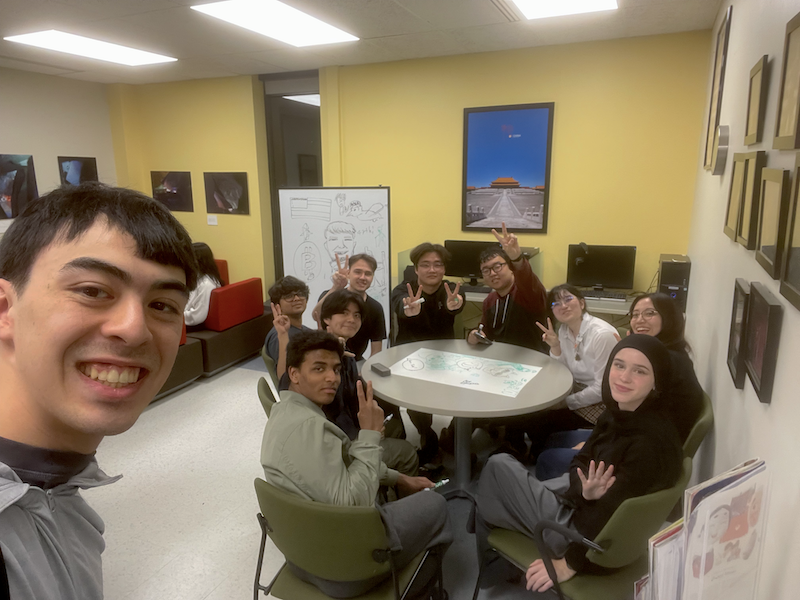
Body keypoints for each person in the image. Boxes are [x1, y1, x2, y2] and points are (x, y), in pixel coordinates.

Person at [0, 182, 198, 600]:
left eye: (163, 305)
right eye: (92, 291)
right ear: (4, 309)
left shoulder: (66, 501)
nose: (134, 329)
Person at [475, 335, 683, 593]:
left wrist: (569, 564)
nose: (624, 377)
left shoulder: (647, 445)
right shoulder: (621, 412)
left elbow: (612, 515)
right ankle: (494, 554)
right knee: (497, 489)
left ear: (656, 382)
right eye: (619, 365)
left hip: (585, 539)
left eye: (639, 371)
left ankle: (490, 567)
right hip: (585, 507)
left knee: (497, 467)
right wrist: (584, 491)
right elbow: (581, 460)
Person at [260, 330, 452, 598]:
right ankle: (411, 590)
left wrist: (401, 479)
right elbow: (353, 505)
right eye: (318, 369)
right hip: (346, 570)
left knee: (409, 492)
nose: (332, 378)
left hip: (302, 555)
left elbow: (347, 457)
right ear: (293, 374)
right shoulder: (310, 428)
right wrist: (371, 434)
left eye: (336, 369)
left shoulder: (287, 412)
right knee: (438, 505)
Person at [278, 290, 416, 476]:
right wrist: (368, 434)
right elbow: (286, 383)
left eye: (356, 315)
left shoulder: (348, 356)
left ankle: (381, 486)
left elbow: (353, 395)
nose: (351, 319)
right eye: (343, 313)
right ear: (326, 319)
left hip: (351, 428)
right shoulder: (315, 355)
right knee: (408, 452)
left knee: (396, 425)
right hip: (338, 446)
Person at [521, 285, 619, 462]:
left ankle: (545, 459)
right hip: (577, 390)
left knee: (539, 419)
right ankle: (543, 451)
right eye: (556, 303)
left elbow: (603, 388)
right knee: (532, 408)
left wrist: (566, 403)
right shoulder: (564, 330)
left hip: (602, 402)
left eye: (568, 299)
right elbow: (563, 371)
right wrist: (555, 346)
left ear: (582, 303)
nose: (563, 306)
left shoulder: (601, 335)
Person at [390, 242, 465, 463]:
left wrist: (456, 306)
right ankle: (426, 433)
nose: (432, 270)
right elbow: (400, 305)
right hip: (410, 357)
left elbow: (457, 301)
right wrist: (408, 309)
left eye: (437, 265)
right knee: (416, 403)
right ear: (416, 269)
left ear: (443, 268)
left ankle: (453, 435)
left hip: (444, 357)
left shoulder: (450, 289)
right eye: (425, 265)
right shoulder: (404, 290)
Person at [628, 292, 703, 443]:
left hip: (650, 444)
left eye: (650, 313)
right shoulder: (669, 352)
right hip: (645, 434)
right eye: (635, 315)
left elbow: (626, 404)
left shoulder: (663, 360)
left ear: (668, 318)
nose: (639, 320)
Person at [467, 223, 547, 353]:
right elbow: (484, 333)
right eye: (486, 270)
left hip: (532, 362)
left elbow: (527, 279)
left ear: (511, 268)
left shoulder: (526, 294)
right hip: (500, 362)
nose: (492, 273)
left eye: (497, 266)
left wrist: (516, 258)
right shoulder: (490, 300)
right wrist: (474, 336)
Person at [311, 253, 387, 360]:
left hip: (356, 362)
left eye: (368, 273)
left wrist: (363, 373)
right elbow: (317, 315)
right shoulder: (332, 296)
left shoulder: (375, 308)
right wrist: (336, 287)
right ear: (348, 273)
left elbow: (376, 350)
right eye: (357, 272)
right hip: (326, 357)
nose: (362, 277)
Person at [263, 276, 311, 364]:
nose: (296, 298)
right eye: (289, 296)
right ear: (278, 305)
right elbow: (285, 374)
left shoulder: (307, 331)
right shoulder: (278, 336)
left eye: (300, 294)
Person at [183, 242, 223, 326]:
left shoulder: (206, 284)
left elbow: (197, 316)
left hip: (192, 324)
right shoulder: (195, 277)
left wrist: (174, 316)